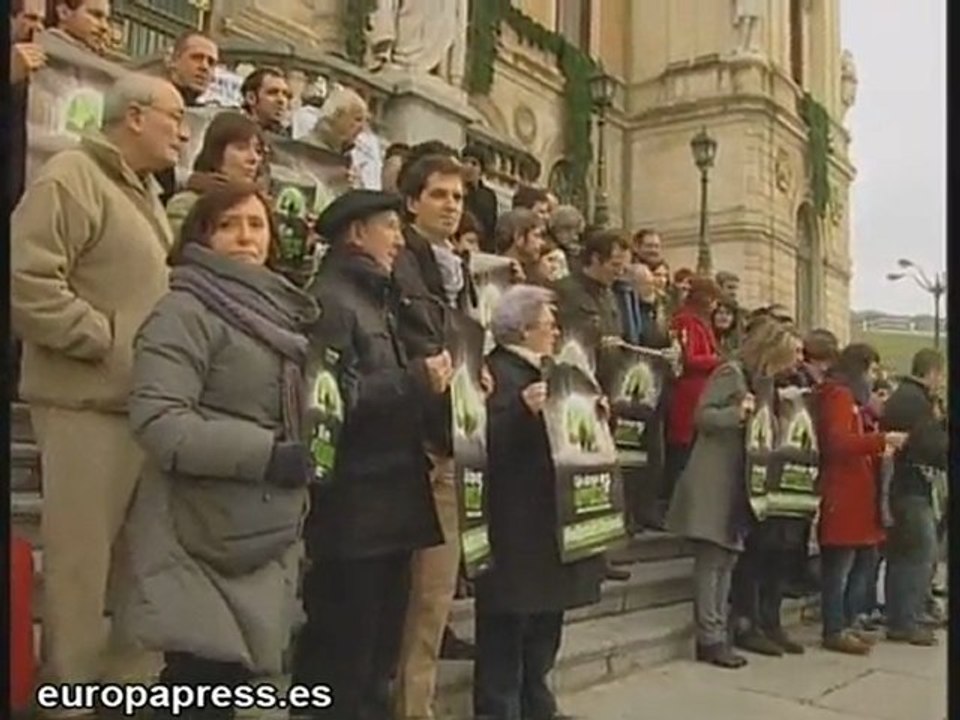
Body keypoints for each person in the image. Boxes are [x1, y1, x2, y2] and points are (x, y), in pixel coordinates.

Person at [11, 73, 186, 705]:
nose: (183, 132)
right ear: (134, 116)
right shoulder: (71, 177)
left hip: (141, 408)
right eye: (174, 116)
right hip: (84, 408)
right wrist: (107, 340)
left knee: (141, 572)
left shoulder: (144, 192)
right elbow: (28, 282)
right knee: (79, 576)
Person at [117, 186, 317, 719]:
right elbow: (160, 421)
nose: (246, 237)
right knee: (197, 681)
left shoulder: (283, 313)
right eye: (228, 225)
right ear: (202, 235)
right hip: (197, 527)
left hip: (261, 525)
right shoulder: (183, 311)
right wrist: (268, 454)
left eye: (256, 224)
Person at [293, 189, 446, 720]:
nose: (400, 240)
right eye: (390, 227)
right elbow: (331, 399)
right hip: (354, 510)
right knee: (345, 657)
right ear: (357, 233)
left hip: (390, 503)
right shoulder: (332, 300)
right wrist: (415, 379)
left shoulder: (380, 297)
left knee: (379, 655)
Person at [474, 284, 604, 720]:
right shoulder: (494, 371)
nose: (555, 332)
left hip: (552, 517)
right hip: (513, 519)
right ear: (523, 330)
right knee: (507, 627)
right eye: (549, 325)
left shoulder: (554, 371)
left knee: (545, 622)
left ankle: (537, 705)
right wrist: (520, 412)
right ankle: (500, 710)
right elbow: (478, 439)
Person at [667, 316, 802, 669]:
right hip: (715, 478)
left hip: (741, 480)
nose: (789, 365)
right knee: (712, 560)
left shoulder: (764, 383)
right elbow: (702, 416)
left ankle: (718, 631)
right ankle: (709, 637)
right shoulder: (731, 373)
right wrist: (736, 413)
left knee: (728, 559)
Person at [391, 153, 468, 720]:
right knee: (413, 599)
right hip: (413, 445)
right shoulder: (402, 262)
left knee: (434, 600)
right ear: (412, 200)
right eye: (439, 194)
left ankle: (418, 706)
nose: (451, 206)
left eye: (458, 197)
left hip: (452, 440)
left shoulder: (456, 272)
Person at [815, 343, 907, 655]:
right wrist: (881, 440)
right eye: (871, 370)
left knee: (856, 563)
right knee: (838, 569)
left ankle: (847, 622)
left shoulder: (848, 398)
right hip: (843, 490)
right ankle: (834, 627)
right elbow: (838, 442)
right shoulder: (839, 396)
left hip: (855, 490)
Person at [881, 349, 947, 647]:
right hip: (910, 486)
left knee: (906, 554)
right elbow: (930, 446)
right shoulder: (916, 402)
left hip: (905, 484)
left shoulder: (908, 397)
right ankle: (905, 621)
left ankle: (905, 615)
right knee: (917, 554)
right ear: (932, 372)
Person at [663, 277, 723, 513]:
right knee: (681, 452)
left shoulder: (701, 322)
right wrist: (718, 361)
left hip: (699, 394)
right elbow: (688, 358)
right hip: (687, 395)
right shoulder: (686, 321)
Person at [166, 112, 265, 238]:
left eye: (258, 151)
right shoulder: (186, 205)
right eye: (241, 148)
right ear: (216, 153)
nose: (254, 158)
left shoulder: (260, 207)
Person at [156, 30, 219, 203]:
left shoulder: (209, 118)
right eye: (196, 58)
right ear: (173, 61)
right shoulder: (148, 100)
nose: (204, 67)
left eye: (211, 62)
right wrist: (188, 180)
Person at [461, 143, 499, 251]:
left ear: (481, 169)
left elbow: (491, 228)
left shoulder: (488, 196)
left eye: (474, 163)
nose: (468, 167)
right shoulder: (455, 190)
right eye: (464, 162)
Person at [495, 208, 547, 284]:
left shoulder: (534, 273)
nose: (543, 243)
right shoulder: (494, 275)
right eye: (536, 236)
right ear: (518, 237)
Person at [241, 66, 292, 134]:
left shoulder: (284, 136)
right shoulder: (232, 131)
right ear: (251, 98)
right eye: (273, 92)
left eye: (285, 94)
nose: (281, 100)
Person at [45, 0, 111, 54]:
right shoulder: (47, 47)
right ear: (64, 12)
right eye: (96, 15)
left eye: (107, 20)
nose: (105, 26)